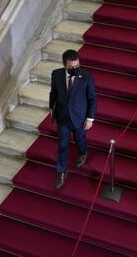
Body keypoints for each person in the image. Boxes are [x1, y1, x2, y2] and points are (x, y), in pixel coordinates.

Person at [49, 49, 97, 189]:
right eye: (71, 67)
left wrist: (90, 118)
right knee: (62, 145)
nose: (75, 69)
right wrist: (51, 107)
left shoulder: (86, 77)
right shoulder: (57, 74)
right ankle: (62, 172)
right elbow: (54, 92)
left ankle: (83, 153)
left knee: (80, 139)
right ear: (65, 65)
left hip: (80, 117)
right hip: (63, 117)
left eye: (77, 66)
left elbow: (92, 99)